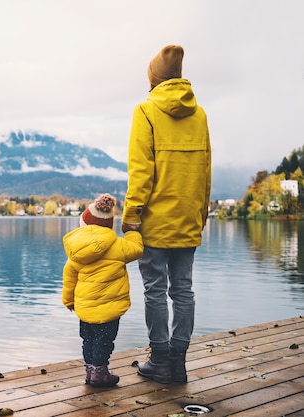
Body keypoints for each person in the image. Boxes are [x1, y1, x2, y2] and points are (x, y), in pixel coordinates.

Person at [121, 44, 212, 384]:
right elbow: (205, 170)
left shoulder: (145, 111)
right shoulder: (199, 114)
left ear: (154, 78)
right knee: (183, 290)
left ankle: (160, 360)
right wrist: (201, 213)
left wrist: (131, 217)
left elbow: (140, 171)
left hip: (155, 220)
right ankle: (179, 363)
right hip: (189, 217)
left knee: (156, 291)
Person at [62, 193, 143, 387]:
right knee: (104, 342)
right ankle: (100, 373)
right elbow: (137, 249)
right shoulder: (118, 246)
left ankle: (90, 372)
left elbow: (69, 277)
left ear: (84, 224)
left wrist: (69, 301)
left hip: (84, 307)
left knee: (87, 340)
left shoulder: (76, 251)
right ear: (109, 225)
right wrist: (131, 231)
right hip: (109, 309)